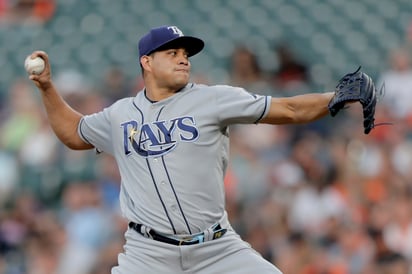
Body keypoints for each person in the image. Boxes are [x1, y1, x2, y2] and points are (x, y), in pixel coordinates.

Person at [27, 25, 359, 274]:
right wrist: (47, 88)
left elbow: (288, 109)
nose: (183, 59)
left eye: (185, 54)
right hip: (148, 255)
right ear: (147, 62)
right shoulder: (119, 115)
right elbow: (73, 132)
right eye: (172, 53)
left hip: (217, 248)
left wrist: (335, 99)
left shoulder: (212, 98)